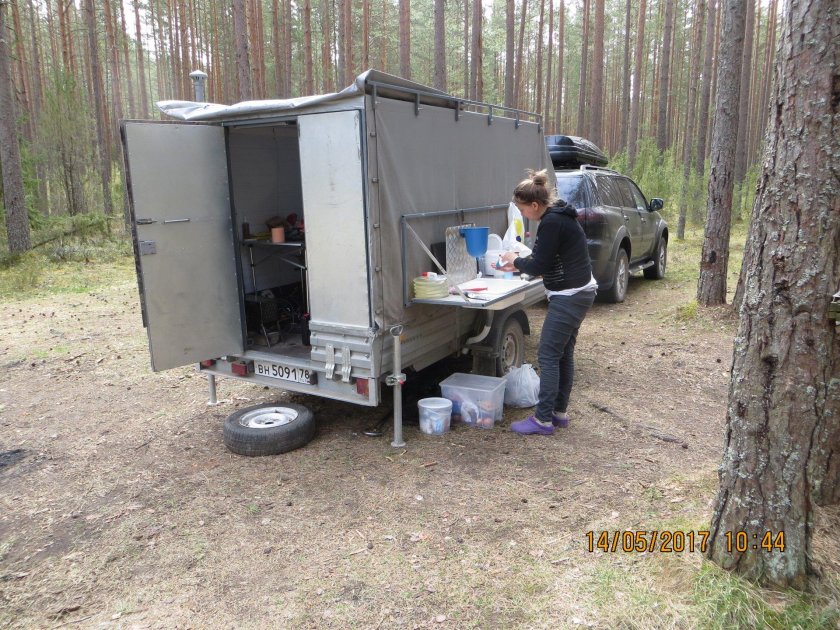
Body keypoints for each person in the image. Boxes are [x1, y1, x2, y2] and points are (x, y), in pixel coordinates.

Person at [499, 169, 597, 435]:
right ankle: (558, 413)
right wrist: (523, 265)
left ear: (534, 205)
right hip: (579, 290)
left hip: (570, 295)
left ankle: (542, 420)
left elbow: (540, 263)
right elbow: (550, 260)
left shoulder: (551, 222)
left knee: (548, 354)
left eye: (522, 209)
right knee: (563, 354)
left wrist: (514, 260)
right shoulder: (559, 216)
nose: (523, 215)